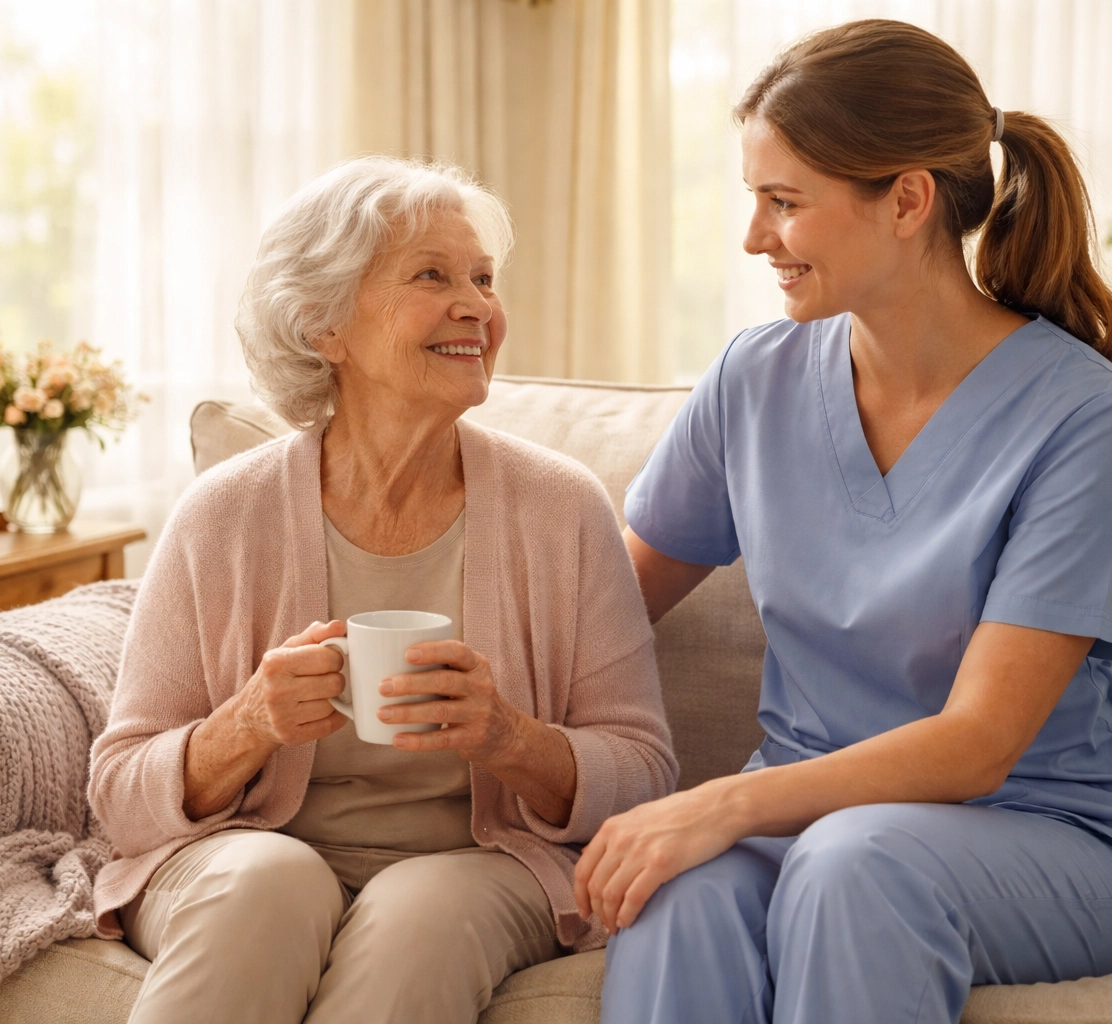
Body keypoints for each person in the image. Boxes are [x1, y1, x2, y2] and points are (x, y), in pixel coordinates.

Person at [579, 20, 1112, 1024]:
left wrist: (717, 801)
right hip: (817, 824)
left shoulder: (1086, 419)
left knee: (852, 866)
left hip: (1047, 832)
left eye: (786, 203)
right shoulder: (754, 380)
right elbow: (603, 608)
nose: (754, 238)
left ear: (905, 199)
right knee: (676, 893)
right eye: (754, 201)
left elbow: (977, 744)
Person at [89, 156, 677, 1024]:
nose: (476, 304)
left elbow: (647, 776)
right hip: (254, 849)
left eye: (483, 278)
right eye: (433, 276)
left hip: (480, 863)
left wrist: (510, 737)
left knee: (420, 915)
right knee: (268, 882)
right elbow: (120, 792)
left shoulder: (562, 508)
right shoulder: (225, 515)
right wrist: (249, 723)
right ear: (325, 327)